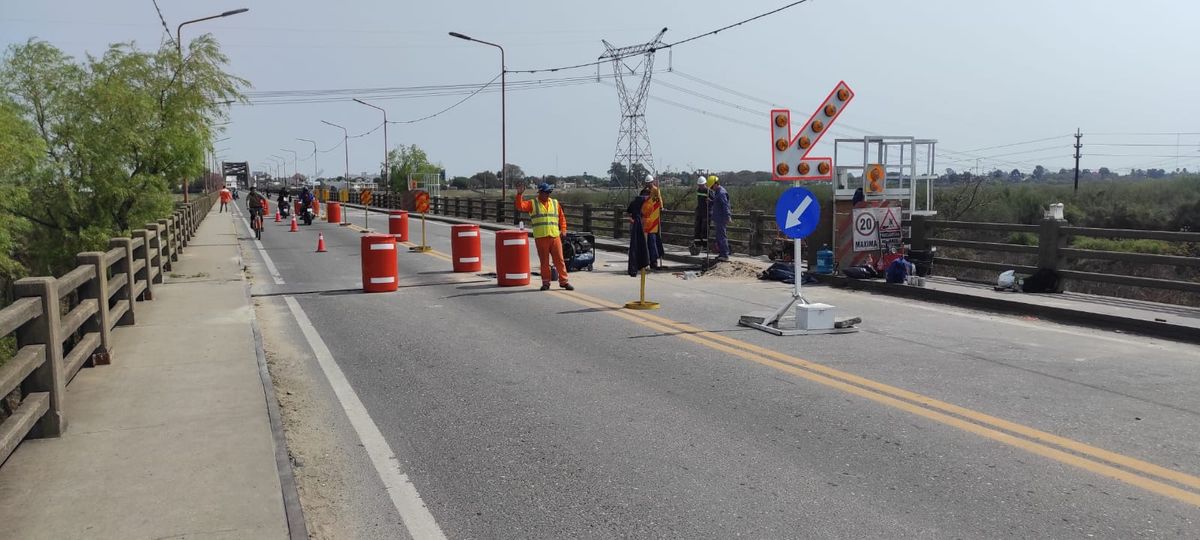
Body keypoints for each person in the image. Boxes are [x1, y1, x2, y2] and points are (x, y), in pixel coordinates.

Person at [515, 183, 573, 291]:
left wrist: (563, 230)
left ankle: (564, 282)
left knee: (559, 260)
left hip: (555, 236)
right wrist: (519, 194)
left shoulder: (555, 203)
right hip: (541, 238)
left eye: (549, 192)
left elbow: (562, 218)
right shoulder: (533, 203)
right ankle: (546, 283)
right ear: (540, 192)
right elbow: (520, 206)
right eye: (546, 192)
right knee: (544, 262)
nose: (547, 194)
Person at [709, 175, 732, 261]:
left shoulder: (721, 193)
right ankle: (721, 254)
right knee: (719, 237)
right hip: (718, 218)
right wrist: (711, 201)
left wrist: (728, 216)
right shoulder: (717, 192)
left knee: (722, 236)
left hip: (721, 218)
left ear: (715, 184)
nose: (711, 188)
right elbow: (717, 203)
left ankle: (725, 254)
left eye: (711, 187)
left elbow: (725, 206)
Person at [692, 175, 709, 251]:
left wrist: (709, 201)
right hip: (699, 212)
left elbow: (713, 201)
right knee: (697, 229)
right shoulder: (698, 190)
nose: (700, 186)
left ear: (704, 184)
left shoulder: (708, 191)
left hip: (706, 212)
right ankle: (697, 245)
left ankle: (705, 246)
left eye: (701, 185)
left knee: (704, 230)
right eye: (699, 185)